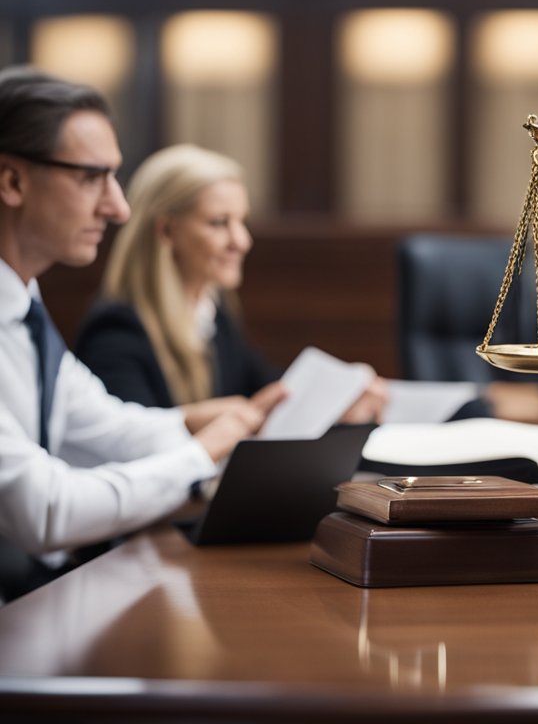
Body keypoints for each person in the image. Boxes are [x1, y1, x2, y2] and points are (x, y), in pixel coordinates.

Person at [0, 67, 282, 599]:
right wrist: (200, 454)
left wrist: (189, 423)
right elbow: (45, 511)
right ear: (12, 181)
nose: (118, 207)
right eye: (90, 177)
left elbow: (107, 427)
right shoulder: (84, 318)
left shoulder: (23, 305)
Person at [74, 144, 387, 423]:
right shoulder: (116, 330)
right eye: (219, 223)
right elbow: (132, 444)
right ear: (167, 232)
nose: (242, 241)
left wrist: (339, 394)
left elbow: (264, 384)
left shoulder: (213, 311)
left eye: (241, 221)